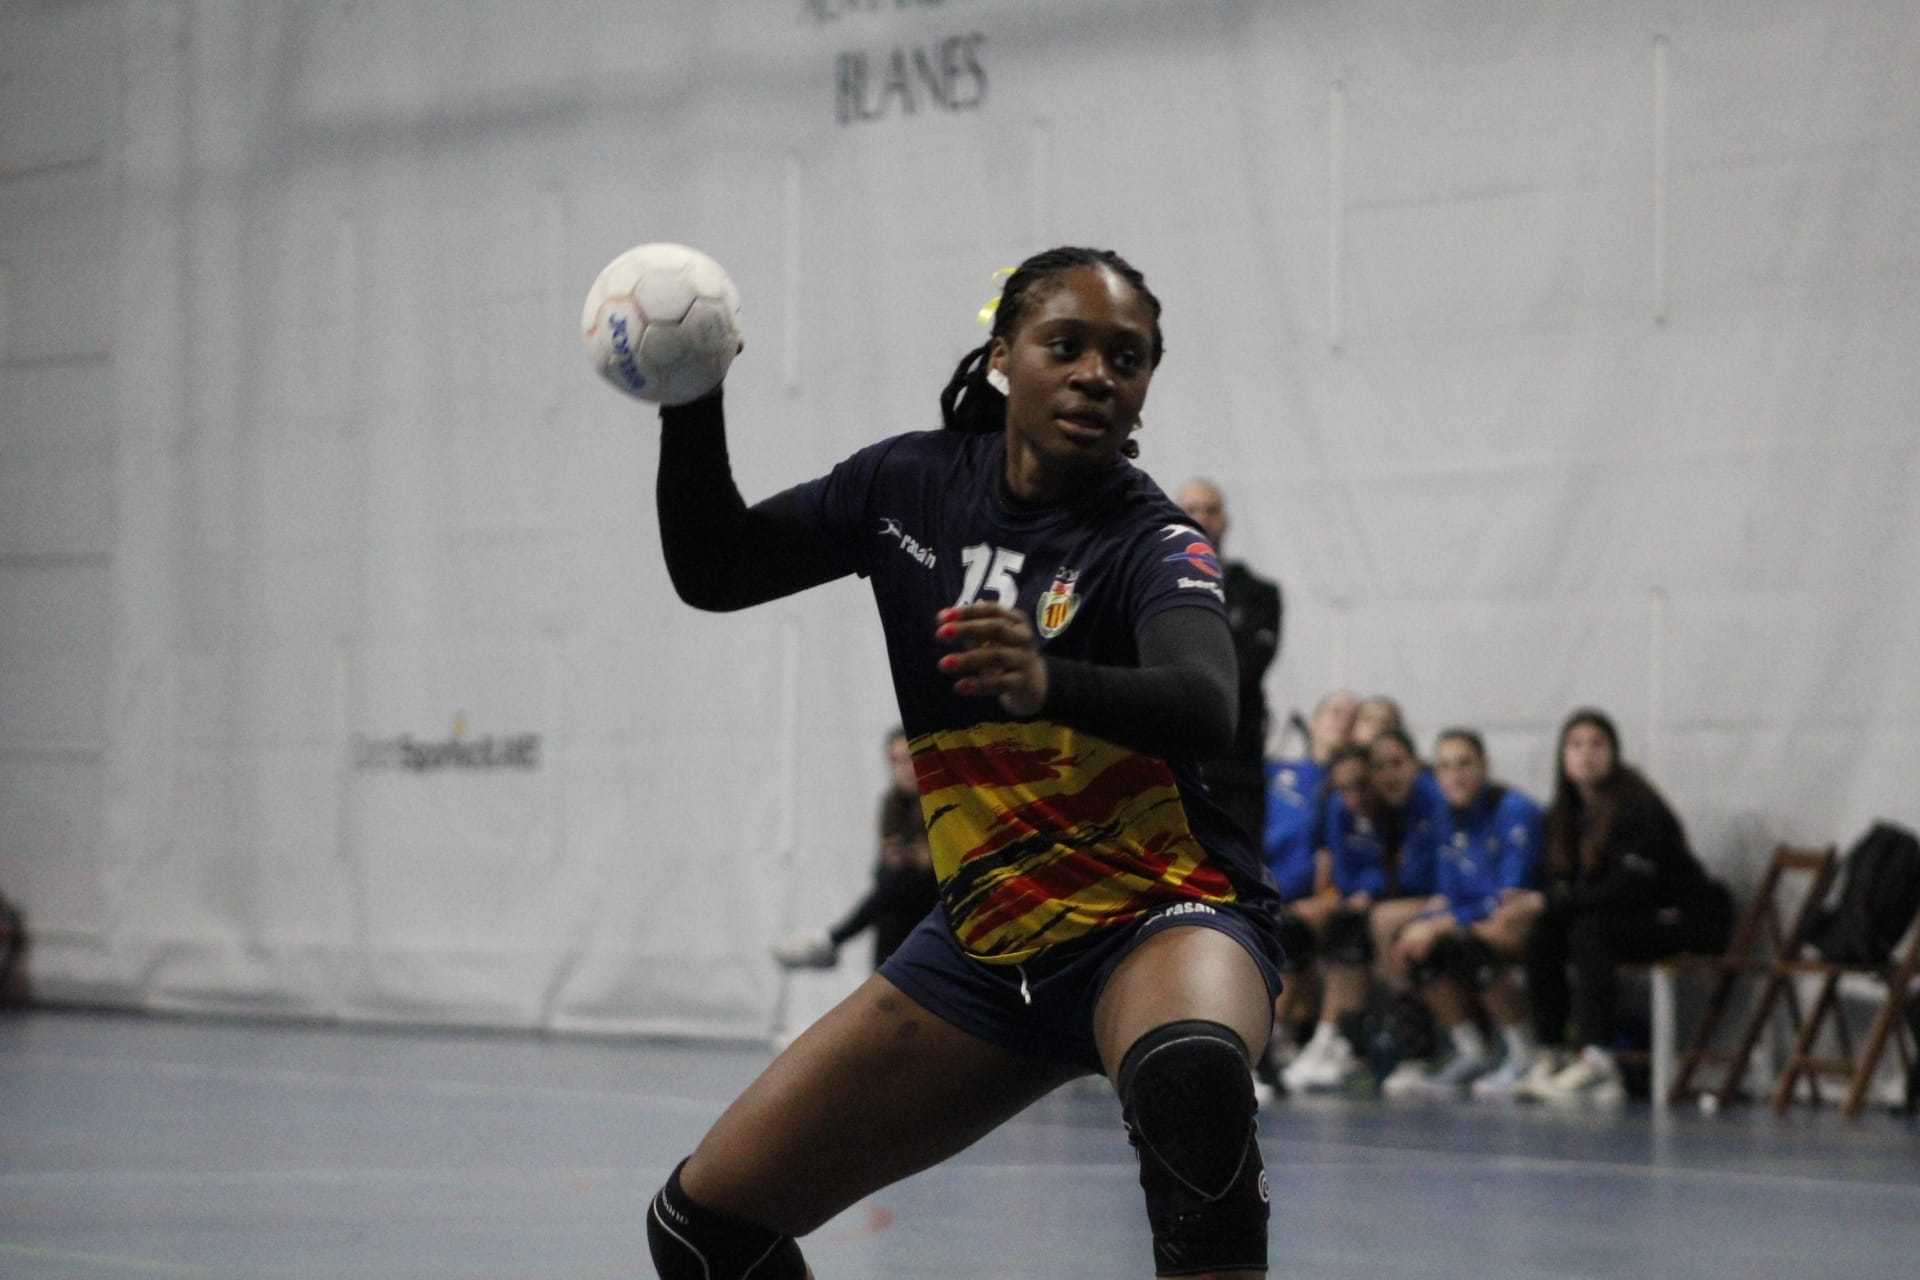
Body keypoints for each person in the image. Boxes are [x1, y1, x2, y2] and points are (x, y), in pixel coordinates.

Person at [646, 246, 1286, 1279]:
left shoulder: (1152, 540)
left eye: (1125, 359)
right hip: (990, 948)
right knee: (704, 1226)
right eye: (1065, 345)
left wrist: (1050, 681)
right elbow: (716, 569)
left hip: (1157, 917)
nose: (1095, 374)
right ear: (1002, 357)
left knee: (1191, 1070)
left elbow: (1209, 704)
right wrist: (690, 393)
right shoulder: (907, 487)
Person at [1518, 708, 1735, 1105]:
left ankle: (1598, 1059)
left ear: (1614, 753)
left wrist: (1558, 900)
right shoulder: (1563, 814)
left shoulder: (1637, 806)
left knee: (1590, 931)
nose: (1586, 754)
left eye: (1597, 744)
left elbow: (1628, 890)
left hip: (1680, 918)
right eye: (1575, 745)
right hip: (1618, 917)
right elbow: (1564, 885)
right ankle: (1552, 1050)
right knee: (1544, 932)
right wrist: (1545, 903)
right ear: (1563, 757)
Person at [1378, 729, 1544, 1099]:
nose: (1455, 775)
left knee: (1471, 942)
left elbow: (1510, 898)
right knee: (1412, 943)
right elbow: (1448, 894)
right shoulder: (1445, 816)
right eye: (1445, 767)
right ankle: (1471, 1049)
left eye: (1464, 764)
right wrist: (1424, 926)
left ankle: (1524, 1051)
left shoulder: (1514, 810)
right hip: (1477, 914)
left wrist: (1444, 923)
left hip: (1530, 918)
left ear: (1484, 766)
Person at [1281, 729, 1444, 1093]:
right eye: (1343, 788)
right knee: (1320, 925)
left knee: (1369, 926)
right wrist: (1367, 890)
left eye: (1360, 785)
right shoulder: (1343, 808)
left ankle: (1364, 1044)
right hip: (1385, 897)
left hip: (1424, 897)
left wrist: (1371, 891)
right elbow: (1347, 873)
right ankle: (1323, 1038)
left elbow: (1417, 873)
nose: (1353, 796)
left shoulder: (1421, 801)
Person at [772, 727, 939, 972]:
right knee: (892, 893)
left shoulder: (942, 801)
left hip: (938, 907)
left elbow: (939, 867)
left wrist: (915, 860)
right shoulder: (892, 803)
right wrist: (907, 859)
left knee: (897, 886)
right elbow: (886, 868)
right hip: (901, 909)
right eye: (896, 761)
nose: (904, 769)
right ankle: (846, 951)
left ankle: (833, 940)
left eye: (909, 759)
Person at [1256, 691, 1357, 1084]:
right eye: (1335, 712)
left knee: (1295, 934)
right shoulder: (1277, 772)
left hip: (1307, 902)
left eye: (1353, 716)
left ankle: (1269, 1044)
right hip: (1258, 888)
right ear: (1314, 723)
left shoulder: (1351, 789)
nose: (1343, 720)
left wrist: (1326, 897)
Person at [1175, 479, 1283, 842]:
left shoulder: (1258, 594)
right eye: (1191, 510)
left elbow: (1247, 669)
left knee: (1240, 862)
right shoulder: (1150, 587)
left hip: (1237, 762)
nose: (1202, 519)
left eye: (1211, 510)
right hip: (1175, 761)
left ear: (1225, 520)